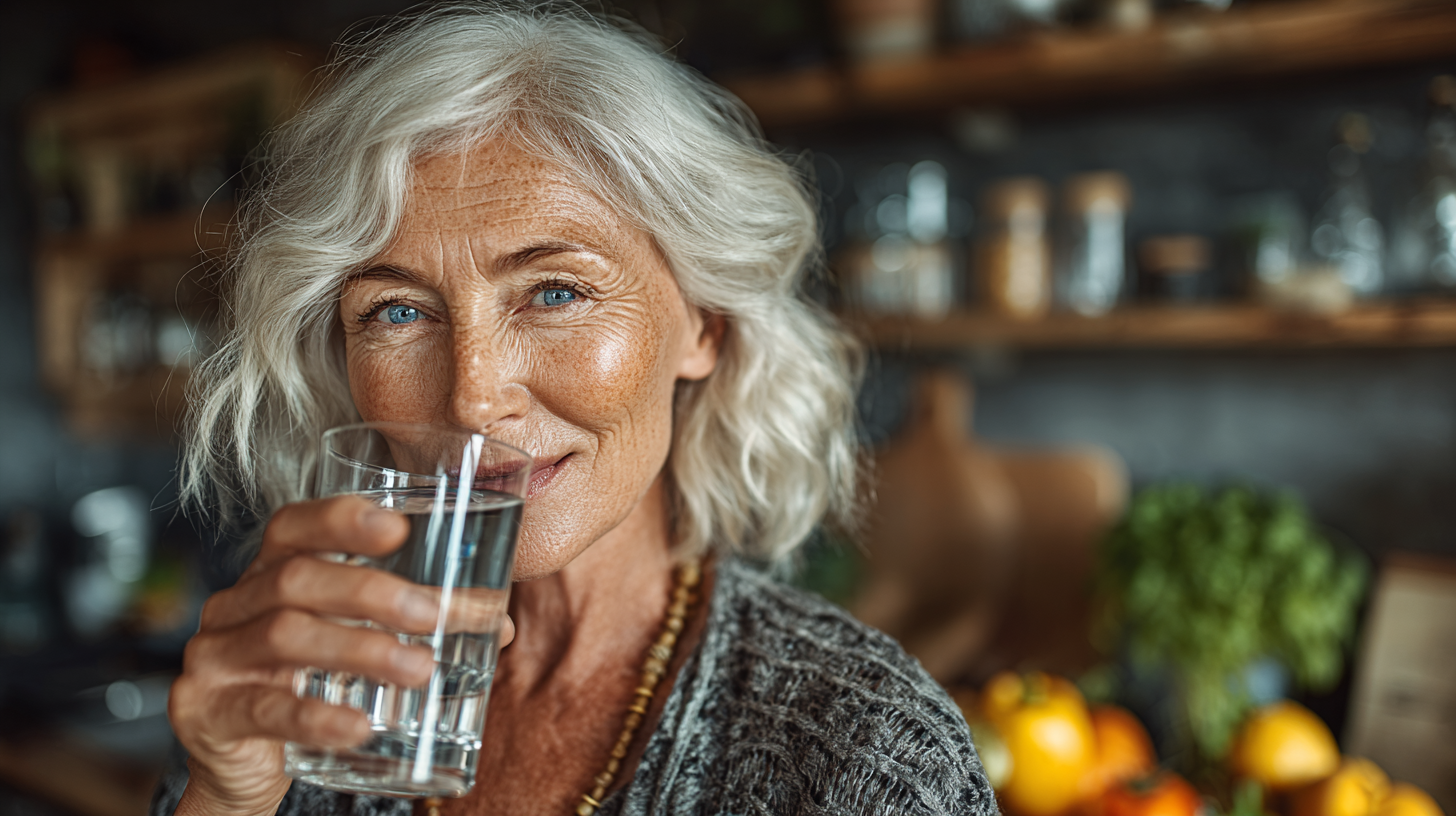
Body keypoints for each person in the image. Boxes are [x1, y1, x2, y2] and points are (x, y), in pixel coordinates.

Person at [156, 4, 997, 815]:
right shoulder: (309, 684)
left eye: (555, 292)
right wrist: (225, 799)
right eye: (398, 311)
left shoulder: (868, 758)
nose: (473, 397)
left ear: (704, 323)